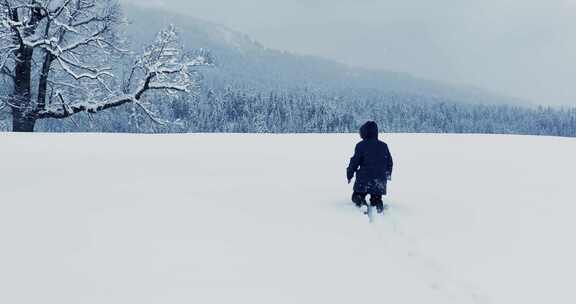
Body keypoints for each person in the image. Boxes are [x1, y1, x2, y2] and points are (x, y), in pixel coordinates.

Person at [346, 121, 393, 213]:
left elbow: (354, 162)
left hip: (363, 181)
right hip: (379, 182)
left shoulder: (361, 145)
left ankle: (361, 202)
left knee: (356, 195)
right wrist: (387, 175)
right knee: (376, 197)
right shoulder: (384, 146)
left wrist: (349, 174)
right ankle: (377, 204)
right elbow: (389, 162)